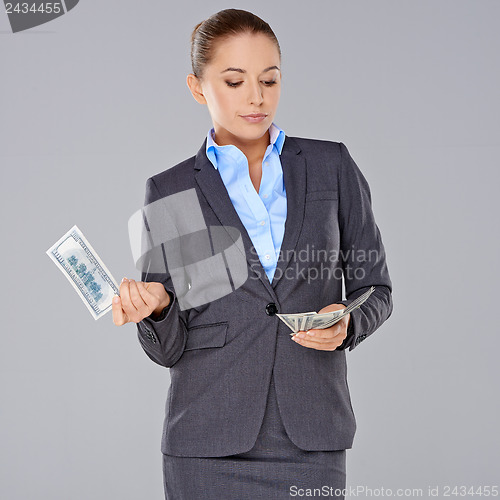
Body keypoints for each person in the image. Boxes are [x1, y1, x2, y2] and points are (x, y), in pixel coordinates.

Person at [112, 8, 393, 500]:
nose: (257, 96)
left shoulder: (332, 167)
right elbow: (166, 348)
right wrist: (156, 309)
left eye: (269, 79)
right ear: (198, 87)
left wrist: (350, 322)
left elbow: (377, 289)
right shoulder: (171, 189)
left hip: (311, 436)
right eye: (235, 80)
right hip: (206, 438)